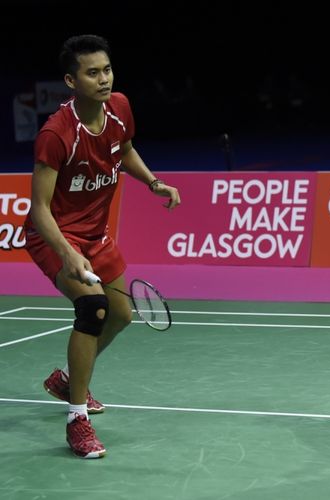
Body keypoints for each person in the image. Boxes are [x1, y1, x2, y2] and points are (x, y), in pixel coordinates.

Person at [24, 34, 180, 459]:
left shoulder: (120, 109)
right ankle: (77, 419)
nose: (103, 79)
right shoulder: (56, 135)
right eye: (92, 73)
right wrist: (69, 254)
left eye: (106, 69)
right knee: (92, 308)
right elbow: (38, 209)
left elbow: (124, 149)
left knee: (122, 314)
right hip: (54, 235)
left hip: (95, 234)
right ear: (71, 81)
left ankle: (65, 381)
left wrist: (152, 182)